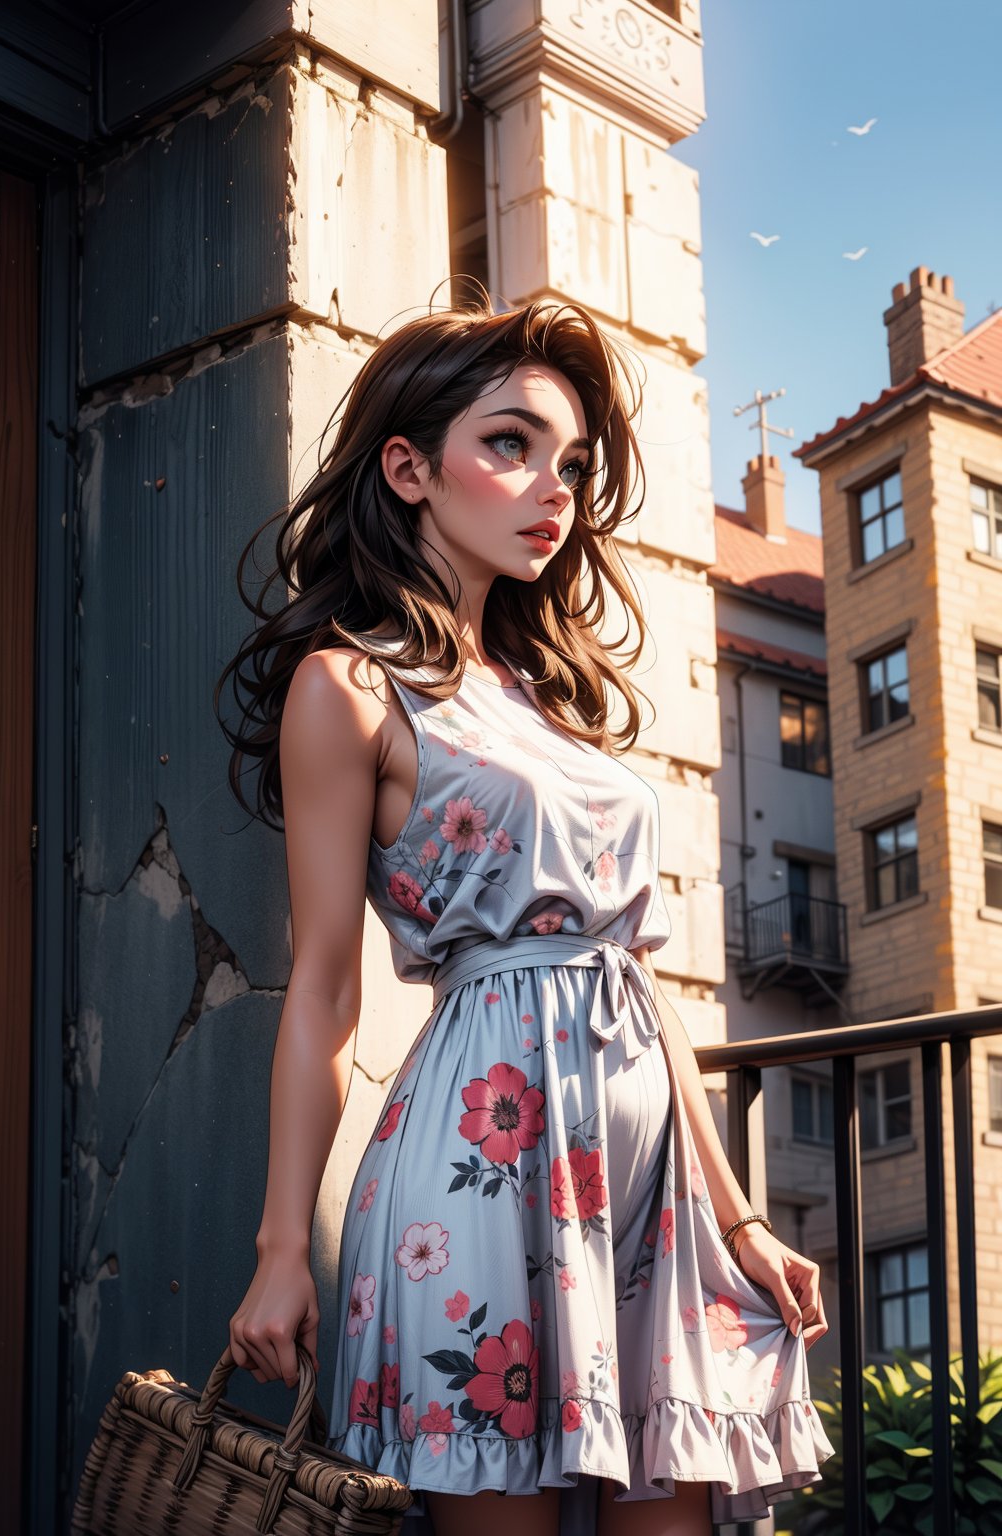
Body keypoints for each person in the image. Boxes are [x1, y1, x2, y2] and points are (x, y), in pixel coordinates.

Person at [216, 296, 834, 1536]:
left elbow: (636, 982)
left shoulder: (555, 700)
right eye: (509, 444)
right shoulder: (347, 688)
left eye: (571, 463)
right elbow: (325, 993)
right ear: (407, 467)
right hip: (479, 1171)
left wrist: (740, 1214)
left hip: (646, 1184)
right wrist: (285, 1244)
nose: (551, 488)